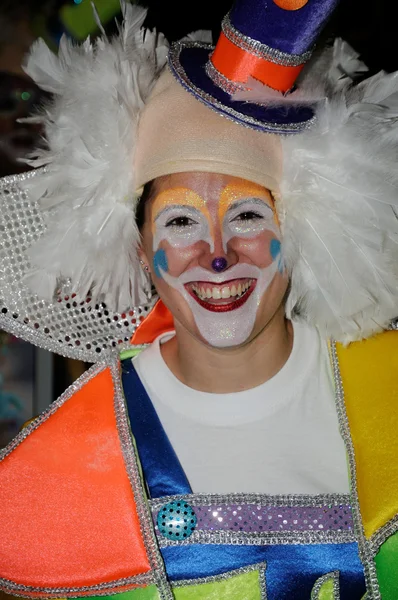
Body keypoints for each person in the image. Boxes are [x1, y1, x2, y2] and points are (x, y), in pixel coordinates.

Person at [0, 1, 397, 599]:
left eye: (246, 215)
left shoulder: (386, 387)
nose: (217, 256)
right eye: (181, 221)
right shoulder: (58, 469)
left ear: (301, 230)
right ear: (139, 249)